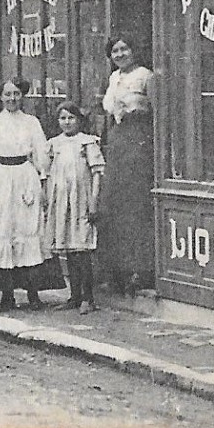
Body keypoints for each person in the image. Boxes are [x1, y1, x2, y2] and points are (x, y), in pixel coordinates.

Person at [0, 78, 50, 311]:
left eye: (16, 94)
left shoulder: (31, 122)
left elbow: (41, 155)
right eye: (7, 94)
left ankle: (33, 294)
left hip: (25, 178)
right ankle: (7, 295)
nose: (12, 99)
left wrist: (43, 185)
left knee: (28, 230)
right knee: (2, 231)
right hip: (1, 179)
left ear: (22, 96)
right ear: (1, 97)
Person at [100, 36, 156, 294]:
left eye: (125, 49)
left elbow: (158, 110)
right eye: (115, 50)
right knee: (116, 205)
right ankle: (118, 269)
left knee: (136, 204)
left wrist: (137, 112)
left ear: (134, 51)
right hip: (118, 140)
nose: (120, 54)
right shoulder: (113, 78)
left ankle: (141, 270)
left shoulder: (146, 76)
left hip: (139, 140)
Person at [45, 103, 105, 314]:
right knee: (69, 250)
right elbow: (48, 173)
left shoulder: (87, 142)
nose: (67, 122)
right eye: (63, 118)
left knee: (82, 250)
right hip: (62, 201)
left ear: (79, 120)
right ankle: (74, 296)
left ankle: (88, 298)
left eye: (71, 118)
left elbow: (96, 174)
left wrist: (93, 202)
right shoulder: (54, 144)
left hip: (81, 200)